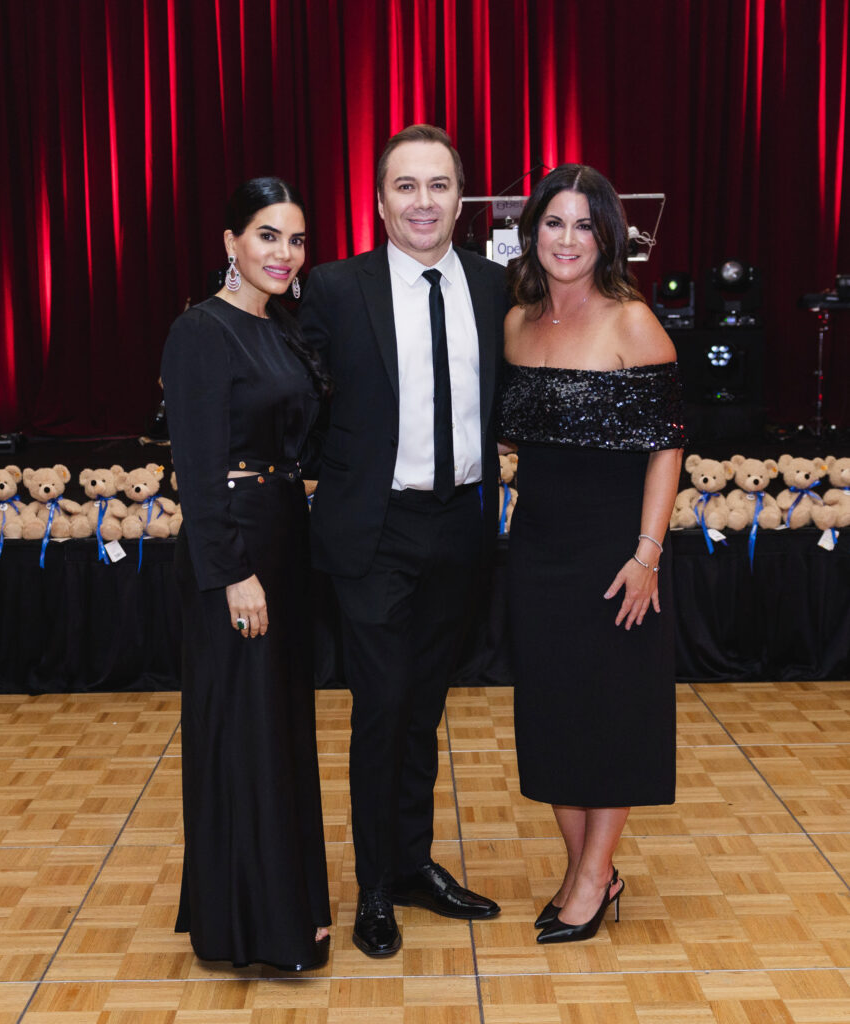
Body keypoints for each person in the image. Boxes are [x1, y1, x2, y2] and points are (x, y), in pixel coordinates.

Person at [299, 125, 507, 957]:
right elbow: (296, 397)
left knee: (424, 708)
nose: (422, 201)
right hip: (372, 531)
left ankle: (415, 865)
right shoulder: (334, 289)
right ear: (379, 200)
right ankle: (374, 886)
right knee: (381, 711)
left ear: (462, 198)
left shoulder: (498, 289)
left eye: (438, 185)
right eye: (404, 186)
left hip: (461, 525)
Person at [498, 164, 685, 944]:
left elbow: (666, 448)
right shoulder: (515, 321)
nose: (567, 239)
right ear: (529, 231)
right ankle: (591, 873)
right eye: (553, 222)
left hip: (612, 555)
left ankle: (586, 881)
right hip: (535, 548)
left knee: (609, 721)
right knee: (552, 718)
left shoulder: (631, 322)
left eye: (583, 224)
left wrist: (646, 555)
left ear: (607, 234)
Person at [160, 177, 332, 971]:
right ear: (230, 241)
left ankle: (283, 903)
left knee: (278, 726)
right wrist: (233, 573)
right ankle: (250, 926)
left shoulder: (281, 328)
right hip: (235, 552)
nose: (284, 254)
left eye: (295, 240)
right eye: (267, 236)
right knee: (243, 727)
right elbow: (196, 467)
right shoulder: (201, 332)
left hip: (281, 542)